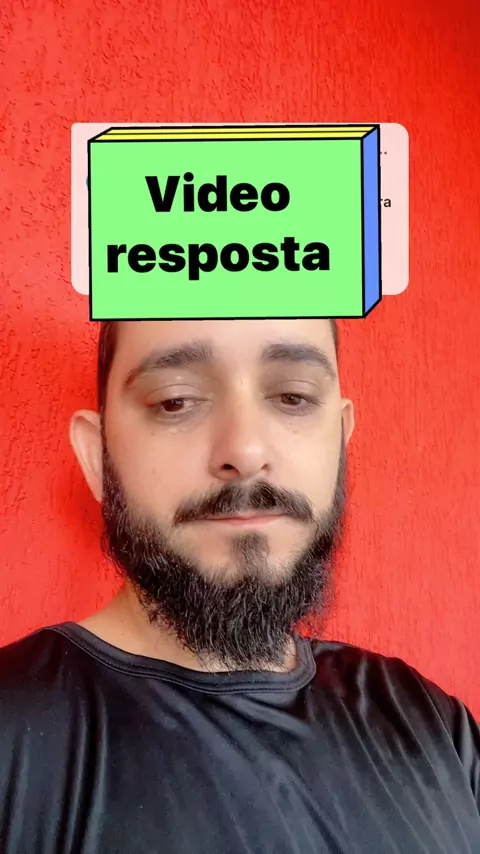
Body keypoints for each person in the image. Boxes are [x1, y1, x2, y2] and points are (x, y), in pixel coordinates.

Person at [0, 318, 479, 854]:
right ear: (97, 456)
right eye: (175, 401)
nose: (246, 450)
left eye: (294, 397)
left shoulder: (436, 726)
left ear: (341, 442)